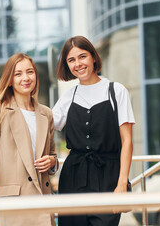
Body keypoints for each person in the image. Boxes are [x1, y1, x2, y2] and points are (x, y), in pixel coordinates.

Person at [0, 53, 58, 226]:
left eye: (30, 72)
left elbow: (52, 154)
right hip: (15, 203)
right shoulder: (0, 111)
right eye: (18, 74)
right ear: (9, 80)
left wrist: (52, 161)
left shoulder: (46, 113)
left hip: (43, 199)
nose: (25, 78)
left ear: (36, 76)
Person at [52, 36, 135, 226]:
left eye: (82, 57)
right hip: (73, 177)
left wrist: (122, 183)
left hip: (109, 177)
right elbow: (43, 126)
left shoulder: (116, 91)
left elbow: (127, 141)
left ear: (93, 58)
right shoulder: (68, 96)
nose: (78, 64)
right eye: (71, 60)